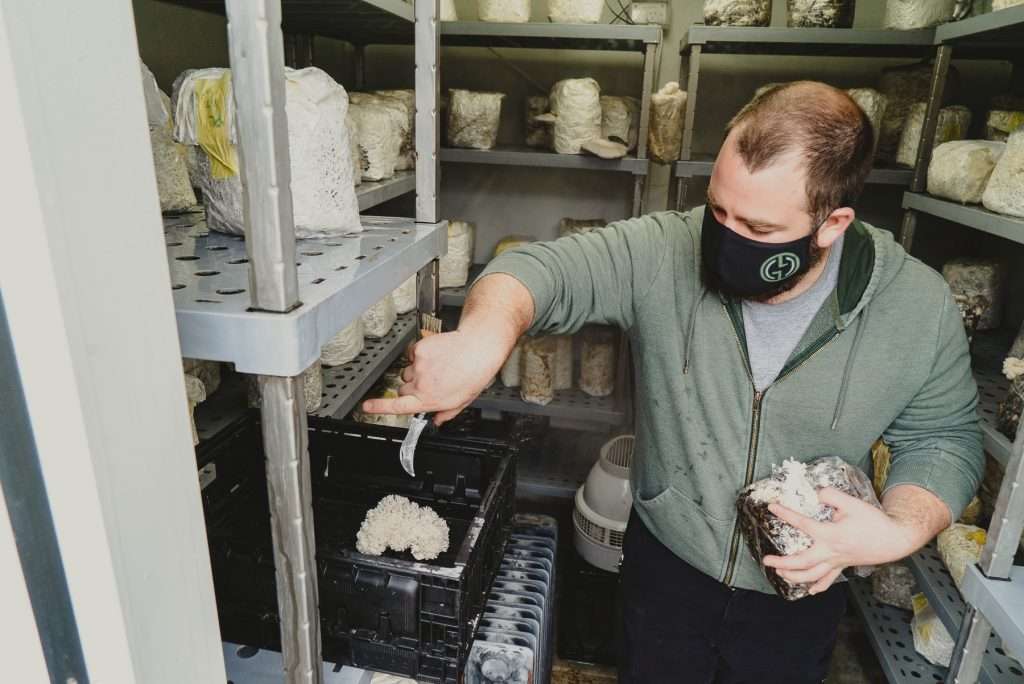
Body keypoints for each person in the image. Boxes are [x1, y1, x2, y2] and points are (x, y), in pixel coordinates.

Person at [362, 81, 984, 683]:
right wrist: (483, 336)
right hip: (666, 567)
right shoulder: (668, 249)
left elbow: (945, 438)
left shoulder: (914, 305)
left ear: (833, 222)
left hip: (803, 583)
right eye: (719, 208)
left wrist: (902, 525)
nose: (726, 238)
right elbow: (540, 270)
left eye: (760, 230)